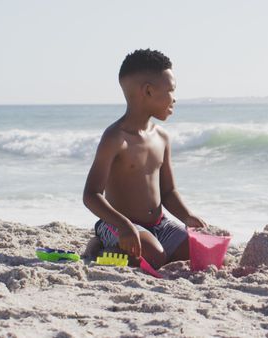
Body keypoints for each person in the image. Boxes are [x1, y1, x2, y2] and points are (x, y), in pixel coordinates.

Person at [82, 49, 207, 269]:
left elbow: (168, 192)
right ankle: (100, 246)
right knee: (154, 257)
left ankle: (136, 245)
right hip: (118, 225)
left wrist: (187, 216)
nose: (174, 98)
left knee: (200, 255)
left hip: (160, 225)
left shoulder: (162, 137)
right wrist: (123, 225)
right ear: (148, 91)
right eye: (170, 90)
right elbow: (91, 195)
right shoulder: (115, 138)